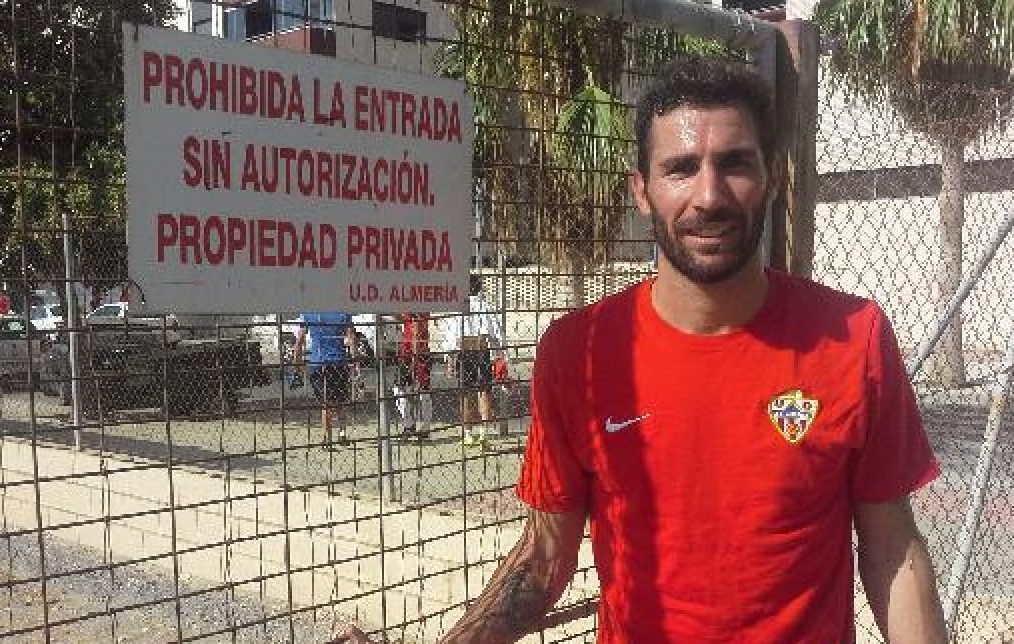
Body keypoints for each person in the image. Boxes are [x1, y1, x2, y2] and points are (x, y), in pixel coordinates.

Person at [331, 57, 946, 643]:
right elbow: (544, 560)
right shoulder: (581, 355)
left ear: (772, 176)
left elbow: (893, 545)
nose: (709, 195)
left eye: (734, 163)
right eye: (681, 168)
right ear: (642, 191)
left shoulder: (853, 336)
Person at [443, 275, 504, 448]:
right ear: (479, 287)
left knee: (466, 393)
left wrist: (450, 358)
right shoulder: (484, 305)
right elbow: (495, 332)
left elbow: (451, 334)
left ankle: (468, 433)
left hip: (464, 351)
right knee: (485, 392)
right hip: (482, 351)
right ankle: (484, 433)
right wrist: (500, 355)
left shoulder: (457, 306)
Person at [294, 311, 357, 451]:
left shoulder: (309, 313)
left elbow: (299, 341)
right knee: (341, 398)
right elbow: (352, 339)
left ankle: (326, 439)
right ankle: (342, 433)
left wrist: (296, 365)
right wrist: (356, 364)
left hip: (318, 362)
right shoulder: (343, 313)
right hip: (339, 362)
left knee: (326, 402)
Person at [393, 312, 434, 441]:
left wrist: (413, 359)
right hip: (413, 354)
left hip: (414, 355)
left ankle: (411, 425)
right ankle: (421, 426)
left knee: (417, 390)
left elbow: (415, 330)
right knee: (417, 390)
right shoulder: (415, 309)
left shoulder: (416, 309)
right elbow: (402, 317)